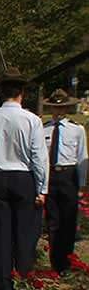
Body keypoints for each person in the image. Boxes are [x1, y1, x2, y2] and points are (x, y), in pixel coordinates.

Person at [0, 68, 49, 290]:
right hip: (24, 177)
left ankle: (3, 286)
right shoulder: (32, 120)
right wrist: (43, 187)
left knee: (1, 233)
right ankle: (23, 282)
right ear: (21, 93)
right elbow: (39, 156)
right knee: (25, 233)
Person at [42, 89, 87, 273]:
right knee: (53, 221)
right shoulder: (44, 128)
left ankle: (66, 262)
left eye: (62, 108)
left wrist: (81, 184)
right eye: (55, 108)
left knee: (68, 221)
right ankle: (55, 262)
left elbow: (82, 156)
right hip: (50, 175)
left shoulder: (77, 130)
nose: (58, 112)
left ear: (67, 109)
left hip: (68, 176)